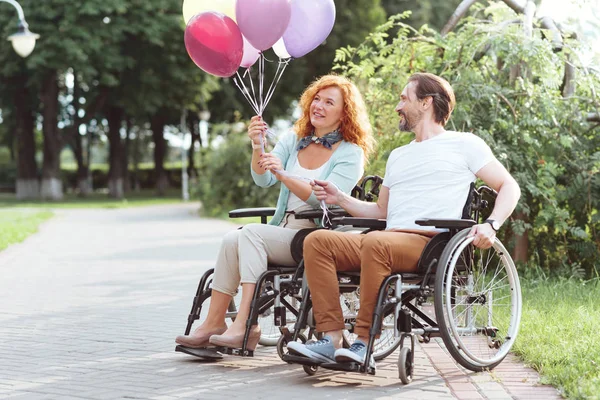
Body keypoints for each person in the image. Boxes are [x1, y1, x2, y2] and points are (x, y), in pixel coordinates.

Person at [287, 72, 521, 367]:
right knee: (318, 241)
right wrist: (340, 198)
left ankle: (362, 343)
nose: (398, 106)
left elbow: (510, 186)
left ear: (425, 103)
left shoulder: (465, 145)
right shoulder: (399, 155)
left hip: (428, 244)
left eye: (403, 98)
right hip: (385, 240)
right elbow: (381, 212)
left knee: (376, 242)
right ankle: (331, 339)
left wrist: (492, 224)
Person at [176, 75, 374, 351]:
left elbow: (322, 201)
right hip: (284, 228)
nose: (319, 105)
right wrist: (258, 146)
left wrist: (283, 173)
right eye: (316, 98)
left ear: (345, 113)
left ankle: (246, 323)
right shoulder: (295, 139)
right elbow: (263, 179)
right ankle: (214, 322)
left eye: (329, 102)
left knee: (251, 234)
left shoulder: (350, 153)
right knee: (231, 238)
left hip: (316, 236)